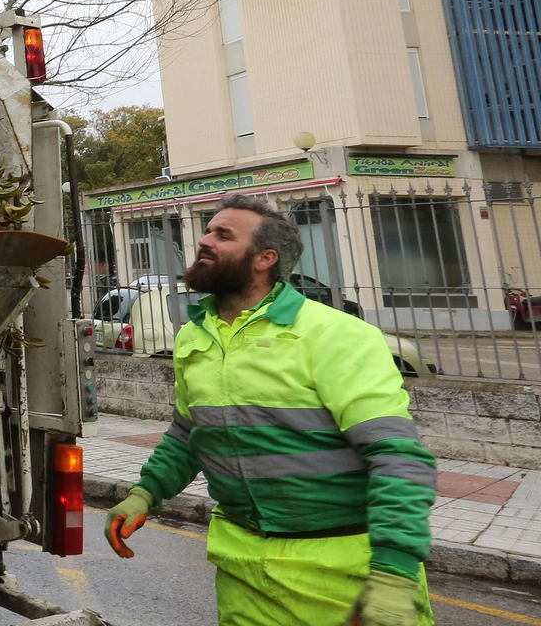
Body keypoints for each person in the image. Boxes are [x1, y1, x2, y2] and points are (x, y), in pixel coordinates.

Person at [105, 193, 437, 626]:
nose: (204, 241)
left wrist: (393, 574)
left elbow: (398, 458)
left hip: (342, 571)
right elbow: (190, 433)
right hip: (243, 567)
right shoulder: (194, 336)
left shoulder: (335, 335)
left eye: (222, 235)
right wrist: (145, 493)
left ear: (265, 259)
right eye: (207, 230)